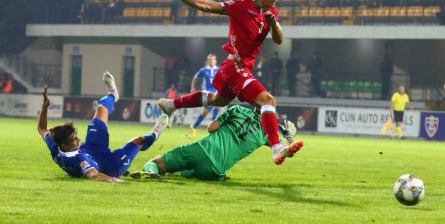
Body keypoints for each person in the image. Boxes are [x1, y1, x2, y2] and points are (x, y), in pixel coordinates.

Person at [157, 0, 303, 165]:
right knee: (268, 100)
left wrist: (273, 24)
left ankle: (171, 105)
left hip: (240, 68)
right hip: (235, 67)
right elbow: (208, 5)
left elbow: (278, 40)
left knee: (218, 100)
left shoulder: (271, 12)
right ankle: (276, 148)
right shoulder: (241, 6)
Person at [37, 72, 168, 183]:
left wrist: (45, 107)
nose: (78, 139)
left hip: (91, 148)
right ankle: (155, 134)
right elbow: (94, 174)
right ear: (65, 146)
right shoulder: (77, 160)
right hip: (110, 165)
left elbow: (42, 128)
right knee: (139, 141)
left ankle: (112, 94)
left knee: (101, 109)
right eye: (73, 139)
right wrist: (115, 180)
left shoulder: (55, 145)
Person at [130, 105, 297, 181]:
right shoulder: (268, 132)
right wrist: (289, 137)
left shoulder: (237, 109)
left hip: (202, 150)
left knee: (155, 163)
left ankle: (151, 172)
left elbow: (211, 128)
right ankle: (173, 173)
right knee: (193, 171)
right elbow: (286, 151)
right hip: (216, 172)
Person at [189, 54, 221, 137]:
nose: (211, 61)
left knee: (217, 107)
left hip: (216, 92)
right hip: (207, 92)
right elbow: (195, 77)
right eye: (209, 60)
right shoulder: (203, 70)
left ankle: (211, 128)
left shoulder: (218, 70)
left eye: (212, 59)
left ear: (215, 61)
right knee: (206, 112)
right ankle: (195, 126)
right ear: (207, 61)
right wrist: (193, 87)